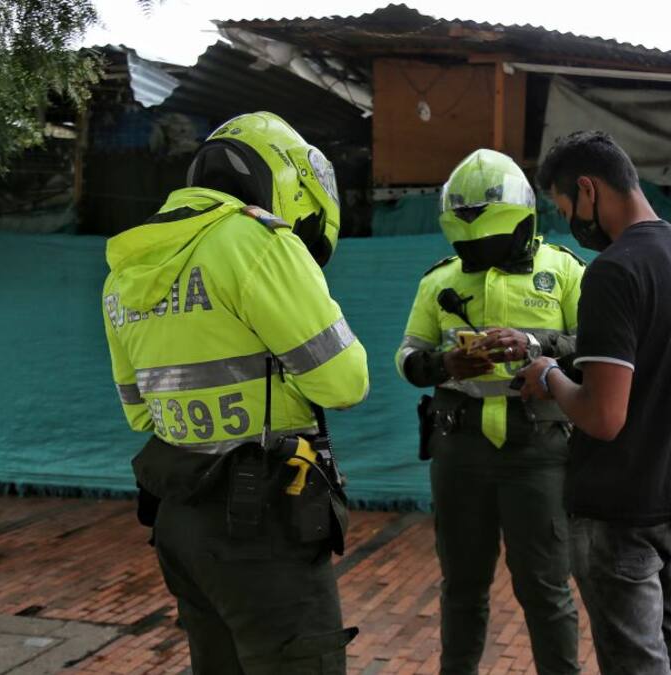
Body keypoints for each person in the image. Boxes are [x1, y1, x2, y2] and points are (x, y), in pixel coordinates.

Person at [101, 111, 369, 674]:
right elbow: (345, 382)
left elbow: (139, 414)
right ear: (289, 180)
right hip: (262, 523)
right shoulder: (257, 242)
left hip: (180, 519)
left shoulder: (125, 270)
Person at [521, 131, 671, 675]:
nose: (571, 224)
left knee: (637, 663)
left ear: (588, 189)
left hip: (617, 509)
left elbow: (604, 417)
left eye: (567, 210)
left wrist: (550, 375)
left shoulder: (613, 271)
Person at [395, 148, 584, 675]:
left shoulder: (564, 271)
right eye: (470, 245)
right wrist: (444, 363)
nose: (480, 253)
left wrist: (534, 343)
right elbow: (406, 356)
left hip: (539, 452)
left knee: (545, 589)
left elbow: (596, 347)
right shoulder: (438, 281)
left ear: (524, 222)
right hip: (460, 452)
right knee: (461, 587)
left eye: (493, 241)